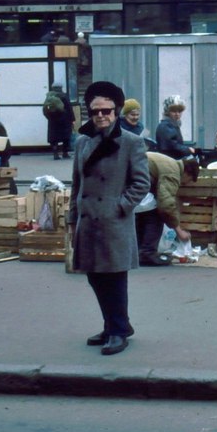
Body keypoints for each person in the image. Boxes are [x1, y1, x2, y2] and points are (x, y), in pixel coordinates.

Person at [68, 81, 151, 355]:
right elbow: (76, 185)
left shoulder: (131, 142)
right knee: (95, 277)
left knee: (114, 279)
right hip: (88, 222)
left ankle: (118, 331)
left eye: (106, 110)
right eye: (95, 111)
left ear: (116, 111)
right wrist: (71, 220)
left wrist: (119, 207)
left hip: (113, 223)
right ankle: (113, 325)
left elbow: (141, 183)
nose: (101, 116)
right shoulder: (82, 142)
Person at [137, 153, 200, 267]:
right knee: (156, 215)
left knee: (145, 212)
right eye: (189, 180)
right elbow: (166, 205)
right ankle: (147, 253)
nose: (185, 183)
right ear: (187, 173)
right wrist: (179, 231)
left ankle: (138, 250)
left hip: (129, 178)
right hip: (133, 181)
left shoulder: (171, 163)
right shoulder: (173, 173)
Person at [153, 94, 196, 160]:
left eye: (179, 111)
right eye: (174, 111)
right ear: (167, 112)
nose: (177, 114)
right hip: (168, 162)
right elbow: (171, 146)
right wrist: (187, 149)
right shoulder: (166, 126)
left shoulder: (172, 125)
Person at [43, 83, 74, 160]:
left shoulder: (49, 96)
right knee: (66, 137)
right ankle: (65, 153)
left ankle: (55, 154)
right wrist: (73, 119)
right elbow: (69, 108)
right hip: (65, 119)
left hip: (53, 120)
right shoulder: (64, 95)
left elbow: (45, 109)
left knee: (54, 138)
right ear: (61, 87)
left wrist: (49, 117)